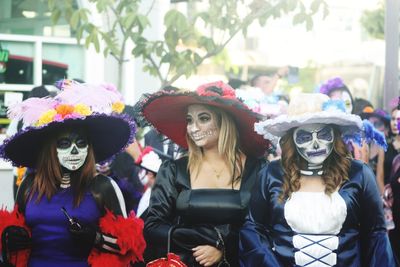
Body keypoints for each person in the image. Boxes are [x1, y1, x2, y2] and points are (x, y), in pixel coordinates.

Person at [0, 80, 145, 267]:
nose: (75, 151)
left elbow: (131, 246)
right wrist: (9, 237)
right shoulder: (30, 185)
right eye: (65, 144)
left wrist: (96, 239)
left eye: (81, 143)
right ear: (51, 149)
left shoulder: (102, 187)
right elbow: (14, 231)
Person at [240, 93, 395, 266]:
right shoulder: (272, 173)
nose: (315, 144)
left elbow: (376, 234)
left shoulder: (359, 174)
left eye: (323, 135)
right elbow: (253, 229)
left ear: (334, 136)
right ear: (292, 139)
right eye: (305, 137)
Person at [135, 81, 271, 267]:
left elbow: (265, 226)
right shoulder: (173, 170)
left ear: (225, 121)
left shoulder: (258, 169)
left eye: (204, 118)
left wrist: (224, 246)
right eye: (189, 120)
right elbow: (153, 226)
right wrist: (204, 239)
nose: (193, 128)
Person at [134, 146, 162, 220]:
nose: (139, 174)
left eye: (141, 170)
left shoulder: (158, 197)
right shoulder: (150, 190)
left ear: (150, 174)